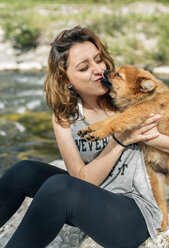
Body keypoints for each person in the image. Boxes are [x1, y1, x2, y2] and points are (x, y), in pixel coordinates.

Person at [0, 25, 168, 248]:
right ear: (66, 79)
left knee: (59, 188)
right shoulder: (66, 115)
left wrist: (142, 135)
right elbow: (81, 179)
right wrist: (120, 141)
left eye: (99, 59)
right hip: (97, 195)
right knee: (24, 171)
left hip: (134, 212)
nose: (99, 70)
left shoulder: (126, 96)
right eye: (84, 68)